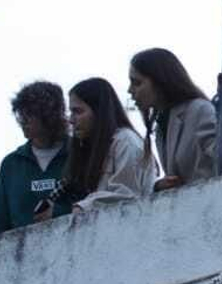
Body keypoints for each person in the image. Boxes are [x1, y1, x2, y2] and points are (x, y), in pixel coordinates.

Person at [128, 48, 222, 190]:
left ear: (160, 81)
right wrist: (159, 187)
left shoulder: (198, 110)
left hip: (214, 205)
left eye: (137, 83)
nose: (130, 90)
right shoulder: (163, 125)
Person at [53, 77, 159, 211]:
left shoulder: (126, 142)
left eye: (78, 111)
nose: (71, 120)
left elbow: (127, 195)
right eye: (71, 112)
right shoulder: (97, 146)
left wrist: (83, 207)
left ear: (99, 111)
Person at [0, 80, 72, 235]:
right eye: (21, 115)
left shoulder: (80, 154)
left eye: (29, 115)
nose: (22, 121)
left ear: (49, 116)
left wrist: (59, 213)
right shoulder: (11, 164)